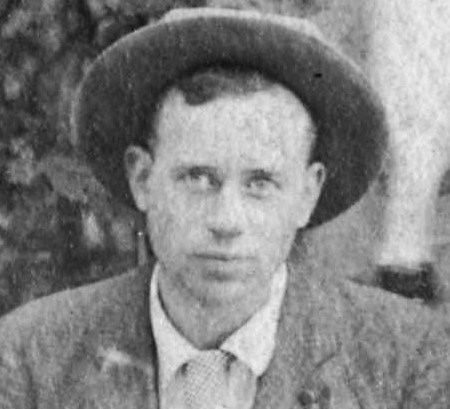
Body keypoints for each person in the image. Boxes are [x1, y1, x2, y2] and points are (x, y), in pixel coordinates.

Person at [0, 8, 449, 409]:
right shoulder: (30, 356)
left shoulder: (410, 360)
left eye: (260, 184)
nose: (226, 221)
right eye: (198, 178)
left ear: (308, 193)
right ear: (142, 178)